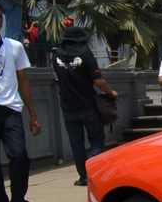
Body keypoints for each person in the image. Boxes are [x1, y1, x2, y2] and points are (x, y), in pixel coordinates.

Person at [0, 0, 41, 202]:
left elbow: (24, 82)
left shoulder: (15, 46)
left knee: (19, 155)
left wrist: (33, 114)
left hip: (10, 109)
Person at [50, 26, 118, 187]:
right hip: (88, 105)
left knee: (76, 143)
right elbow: (98, 81)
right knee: (97, 140)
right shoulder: (86, 55)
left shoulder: (56, 57)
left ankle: (82, 176)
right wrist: (111, 92)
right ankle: (91, 173)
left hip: (67, 107)